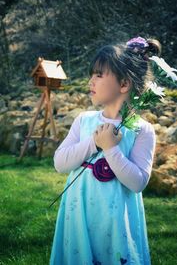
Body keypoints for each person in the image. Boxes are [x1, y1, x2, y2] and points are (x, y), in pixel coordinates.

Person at [50, 36, 160, 265]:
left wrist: (111, 149)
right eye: (92, 74)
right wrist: (94, 142)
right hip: (79, 215)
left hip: (116, 222)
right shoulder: (84, 121)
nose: (91, 80)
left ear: (123, 84)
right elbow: (60, 163)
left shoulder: (143, 130)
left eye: (99, 75)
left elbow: (138, 182)